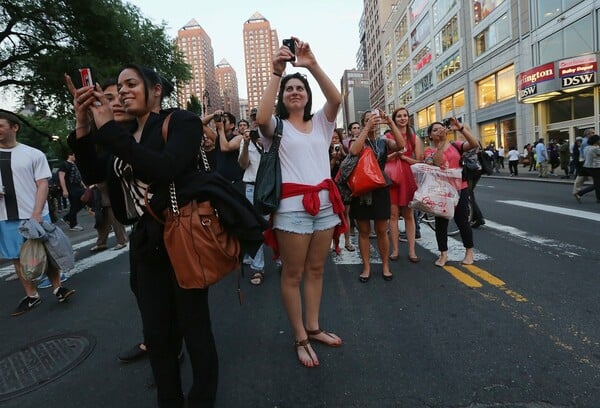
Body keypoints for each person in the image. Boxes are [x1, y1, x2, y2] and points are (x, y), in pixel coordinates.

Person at [67, 65, 218, 407]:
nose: (121, 92)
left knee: (195, 331)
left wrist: (107, 128)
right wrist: (83, 124)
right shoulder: (120, 132)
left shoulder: (180, 122)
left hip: (183, 235)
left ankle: (203, 399)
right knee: (157, 334)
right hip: (145, 242)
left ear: (156, 90)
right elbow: (92, 172)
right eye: (118, 87)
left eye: (130, 84)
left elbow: (163, 167)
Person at [256, 37, 345, 368]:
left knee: (317, 270)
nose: (295, 92)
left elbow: (336, 97)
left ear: (307, 97)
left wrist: (311, 64)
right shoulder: (275, 127)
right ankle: (300, 337)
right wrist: (278, 72)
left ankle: (314, 326)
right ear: (283, 97)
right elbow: (261, 116)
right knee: (292, 274)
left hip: (324, 210)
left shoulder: (322, 122)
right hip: (291, 212)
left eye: (300, 89)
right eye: (289, 89)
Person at [0, 111, 76, 316]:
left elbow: (42, 184)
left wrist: (36, 212)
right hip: (5, 216)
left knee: (48, 252)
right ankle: (31, 295)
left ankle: (58, 287)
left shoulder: (33, 154)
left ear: (14, 127)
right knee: (17, 258)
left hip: (35, 213)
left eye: (1, 125)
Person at [349, 109, 405, 282]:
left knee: (382, 230)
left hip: (380, 188)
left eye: (374, 119)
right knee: (364, 231)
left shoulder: (383, 142)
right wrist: (366, 128)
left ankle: (385, 265)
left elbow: (401, 145)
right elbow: (353, 151)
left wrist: (390, 121)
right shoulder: (358, 140)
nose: (372, 121)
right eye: (367, 119)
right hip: (361, 189)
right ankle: (366, 267)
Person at [423, 118, 479, 267]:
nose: (439, 131)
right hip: (441, 190)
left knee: (462, 220)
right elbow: (435, 162)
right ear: (430, 136)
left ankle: (469, 252)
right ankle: (443, 254)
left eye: (441, 128)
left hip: (460, 188)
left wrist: (460, 128)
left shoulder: (456, 145)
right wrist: (441, 144)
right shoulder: (429, 150)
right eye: (435, 130)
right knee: (441, 223)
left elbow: (474, 144)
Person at [387, 107, 422, 263]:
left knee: (409, 215)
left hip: (408, 178)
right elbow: (383, 158)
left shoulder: (414, 137)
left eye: (405, 115)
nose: (402, 118)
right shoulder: (387, 136)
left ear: (408, 118)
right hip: (392, 177)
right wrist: (395, 155)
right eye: (399, 116)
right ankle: (395, 250)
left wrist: (407, 159)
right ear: (394, 120)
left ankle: (412, 250)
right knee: (393, 216)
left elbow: (420, 160)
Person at [238, 123, 268, 285]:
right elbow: (243, 164)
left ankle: (281, 260)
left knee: (276, 226)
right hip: (252, 187)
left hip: (271, 188)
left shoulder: (273, 139)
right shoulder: (246, 141)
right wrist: (247, 144)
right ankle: (258, 267)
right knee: (256, 227)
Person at [329, 128, 353, 254]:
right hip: (331, 186)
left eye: (336, 138)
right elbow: (326, 171)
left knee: (345, 214)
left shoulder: (345, 151)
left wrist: (343, 154)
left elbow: (350, 166)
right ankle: (335, 242)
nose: (334, 141)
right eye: (332, 139)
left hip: (344, 186)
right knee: (332, 215)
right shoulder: (323, 151)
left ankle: (348, 241)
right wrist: (333, 160)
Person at [58, 151, 86, 231]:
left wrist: (83, 186)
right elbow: (61, 177)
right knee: (74, 205)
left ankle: (67, 218)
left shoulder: (74, 164)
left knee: (83, 202)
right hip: (71, 188)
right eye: (75, 155)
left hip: (78, 187)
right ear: (70, 155)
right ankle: (73, 224)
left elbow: (78, 176)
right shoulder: (64, 164)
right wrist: (64, 190)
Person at [574, 134, 600, 203]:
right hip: (596, 167)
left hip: (588, 167)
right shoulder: (596, 148)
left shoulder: (587, 148)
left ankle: (598, 198)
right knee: (597, 184)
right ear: (596, 141)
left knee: (597, 183)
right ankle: (580, 193)